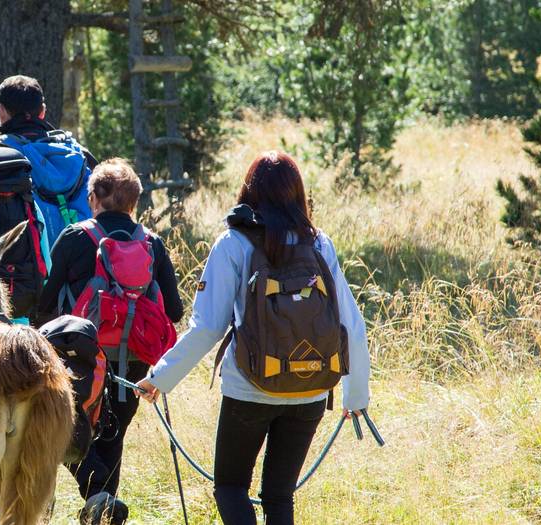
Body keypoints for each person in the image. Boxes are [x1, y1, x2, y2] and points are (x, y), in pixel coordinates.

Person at [135, 152, 371, 525]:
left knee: (230, 487)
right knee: (279, 496)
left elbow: (208, 326)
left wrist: (160, 378)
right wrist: (356, 395)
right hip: (311, 389)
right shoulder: (320, 243)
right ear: (298, 192)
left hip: (249, 387)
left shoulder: (233, 243)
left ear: (249, 190)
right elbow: (351, 324)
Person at [34, 160, 184, 525]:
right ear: (134, 201)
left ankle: (98, 496)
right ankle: (102, 507)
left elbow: (44, 307)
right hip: (134, 360)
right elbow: (176, 311)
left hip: (81, 356)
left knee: (66, 432)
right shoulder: (153, 243)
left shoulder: (74, 237)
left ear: (94, 198)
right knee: (112, 437)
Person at [0, 75, 98, 257]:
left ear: (1, 111)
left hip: (22, 271)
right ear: (42, 112)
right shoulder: (80, 153)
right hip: (84, 268)